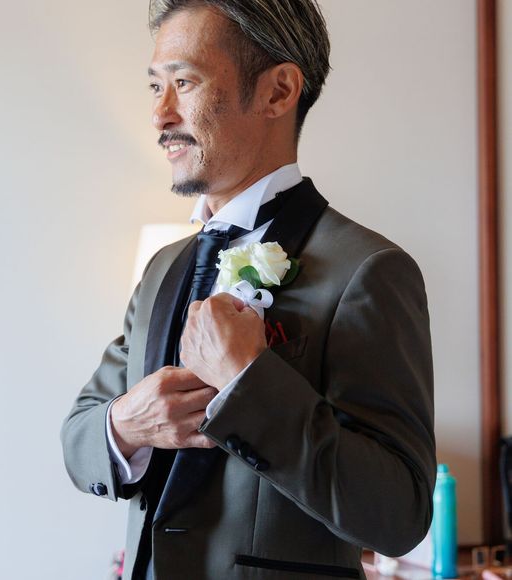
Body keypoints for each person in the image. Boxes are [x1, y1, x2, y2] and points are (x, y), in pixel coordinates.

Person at [61, 1, 436, 579]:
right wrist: (126, 425)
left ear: (278, 91)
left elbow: (398, 514)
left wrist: (248, 383)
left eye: (184, 82)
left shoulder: (369, 270)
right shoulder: (161, 267)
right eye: (155, 86)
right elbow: (80, 436)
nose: (160, 114)